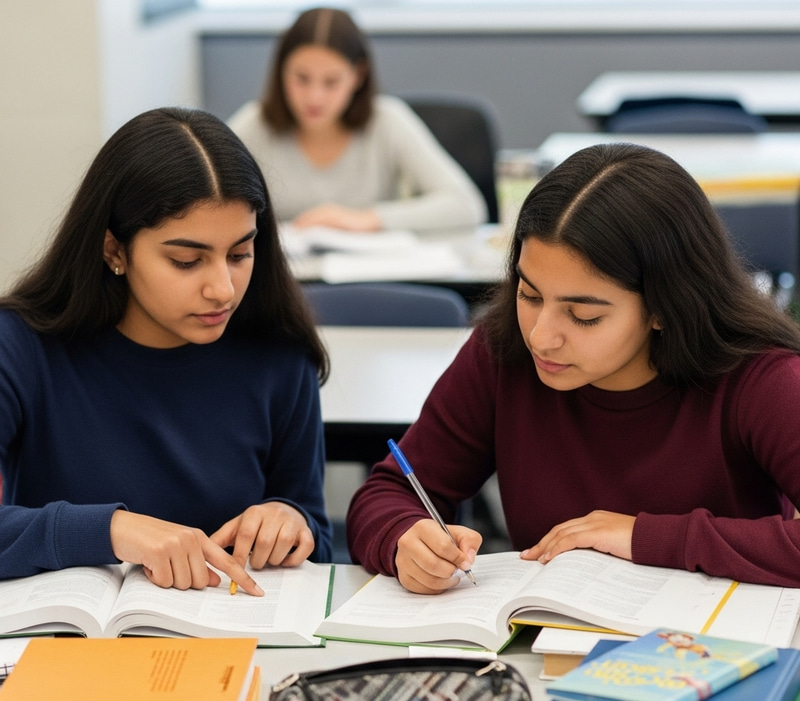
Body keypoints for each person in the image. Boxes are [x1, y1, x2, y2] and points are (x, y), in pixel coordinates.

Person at [347, 142, 800, 594]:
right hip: (542, 649)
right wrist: (403, 538)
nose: (542, 337)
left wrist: (645, 537)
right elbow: (387, 495)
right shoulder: (505, 352)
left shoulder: (761, 379)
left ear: (665, 307)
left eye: (584, 315)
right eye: (529, 295)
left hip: (708, 653)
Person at [0, 106, 333, 593]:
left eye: (240, 254)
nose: (222, 289)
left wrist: (290, 521)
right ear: (114, 250)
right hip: (63, 649)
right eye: (186, 261)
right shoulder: (21, 347)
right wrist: (113, 530)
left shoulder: (279, 354)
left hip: (239, 646)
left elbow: (318, 540)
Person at [227, 6, 487, 232]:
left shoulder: (387, 120)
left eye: (331, 82)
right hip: (283, 282)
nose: (314, 98)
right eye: (301, 78)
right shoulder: (254, 125)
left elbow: (466, 205)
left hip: (372, 281)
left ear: (358, 76)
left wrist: (364, 220)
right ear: (281, 70)